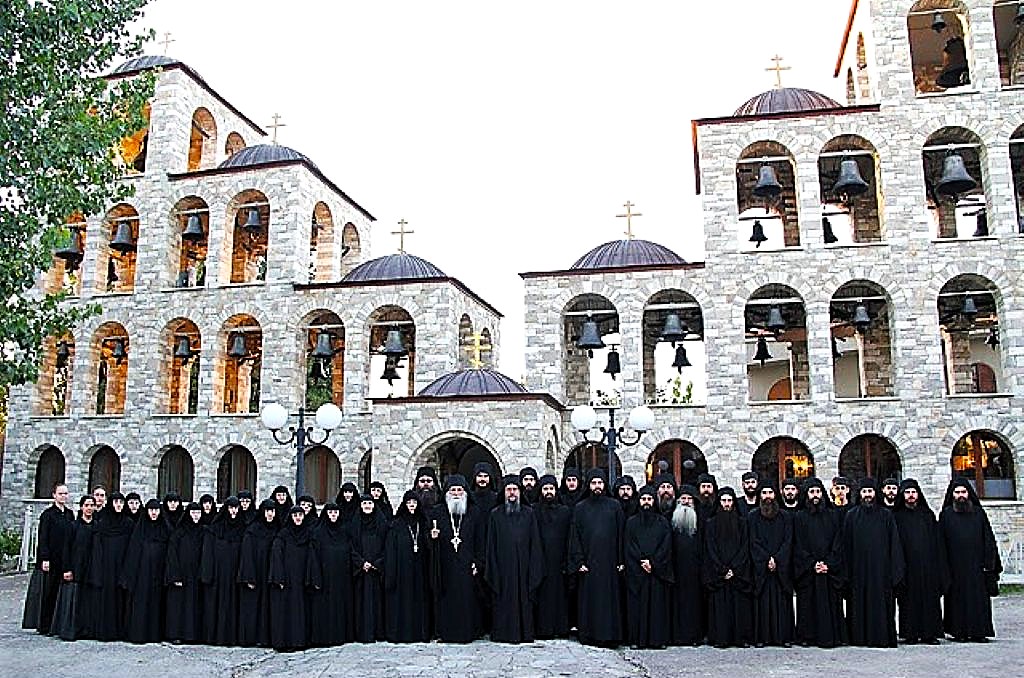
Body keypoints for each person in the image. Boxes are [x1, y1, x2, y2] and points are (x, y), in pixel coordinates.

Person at [841, 478, 904, 647]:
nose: (867, 495)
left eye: (870, 491)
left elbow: (894, 544)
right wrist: (846, 573)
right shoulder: (851, 516)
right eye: (864, 491)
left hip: (881, 572)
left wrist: (894, 571)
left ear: (875, 493)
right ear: (860, 494)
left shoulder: (886, 515)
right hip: (858, 572)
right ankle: (859, 638)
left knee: (881, 605)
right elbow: (846, 546)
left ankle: (882, 637)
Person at [939, 478, 1002, 643]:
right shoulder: (946, 515)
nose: (961, 495)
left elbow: (988, 538)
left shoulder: (978, 513)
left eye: (963, 492)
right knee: (956, 599)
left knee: (978, 600)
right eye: (957, 492)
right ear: (952, 495)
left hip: (977, 566)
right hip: (955, 567)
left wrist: (989, 564)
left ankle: (979, 632)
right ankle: (958, 632)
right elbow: (941, 543)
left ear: (969, 493)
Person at [569, 469, 625, 647]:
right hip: (589, 564)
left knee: (609, 601)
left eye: (600, 483)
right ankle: (589, 635)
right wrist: (579, 561)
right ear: (589, 485)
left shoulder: (615, 506)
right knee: (590, 601)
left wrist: (621, 560)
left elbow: (621, 534)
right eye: (594, 483)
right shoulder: (580, 508)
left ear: (604, 484)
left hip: (610, 563)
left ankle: (610, 636)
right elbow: (574, 537)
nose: (597, 486)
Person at [485, 475, 544, 643]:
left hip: (525, 568)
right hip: (503, 569)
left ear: (520, 492)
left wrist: (534, 567)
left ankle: (525, 633)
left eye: (515, 489)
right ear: (503, 492)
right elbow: (491, 544)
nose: (512, 493)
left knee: (524, 600)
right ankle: (502, 634)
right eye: (509, 489)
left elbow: (535, 542)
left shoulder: (529, 513)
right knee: (503, 599)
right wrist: (493, 568)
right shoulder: (495, 515)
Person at [792, 478, 845, 648]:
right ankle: (807, 637)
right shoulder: (799, 517)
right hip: (809, 571)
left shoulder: (833, 515)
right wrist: (812, 564)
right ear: (806, 495)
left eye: (818, 492)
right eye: (812, 492)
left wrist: (828, 563)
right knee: (808, 604)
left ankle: (832, 637)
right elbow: (798, 544)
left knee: (830, 603)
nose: (815, 495)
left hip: (828, 570)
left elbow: (838, 542)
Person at [429, 474, 482, 643]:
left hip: (467, 563)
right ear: (447, 493)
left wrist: (478, 562)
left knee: (467, 597)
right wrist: (433, 537)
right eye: (453, 490)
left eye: (460, 490)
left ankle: (468, 633)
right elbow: (427, 541)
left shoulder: (474, 511)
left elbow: (480, 539)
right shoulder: (437, 511)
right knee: (447, 598)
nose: (457, 493)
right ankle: (446, 633)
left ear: (465, 492)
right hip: (445, 563)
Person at [893, 478, 945, 645]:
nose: (910, 495)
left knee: (929, 599)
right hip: (906, 567)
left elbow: (936, 541)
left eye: (913, 492)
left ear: (918, 494)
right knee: (908, 601)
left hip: (927, 566)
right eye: (907, 492)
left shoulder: (927, 515)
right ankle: (910, 634)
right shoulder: (896, 516)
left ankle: (930, 634)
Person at [702, 487, 753, 648]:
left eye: (729, 500)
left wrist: (734, 568)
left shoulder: (742, 523)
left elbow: (745, 547)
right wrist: (722, 569)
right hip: (718, 573)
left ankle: (740, 639)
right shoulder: (711, 524)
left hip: (738, 573)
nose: (726, 504)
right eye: (723, 500)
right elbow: (710, 548)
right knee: (719, 608)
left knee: (739, 607)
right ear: (719, 502)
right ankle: (720, 639)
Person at [624, 486, 673, 649]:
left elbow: (666, 546)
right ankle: (636, 640)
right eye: (643, 499)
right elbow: (629, 545)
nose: (646, 502)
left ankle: (657, 640)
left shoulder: (663, 522)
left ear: (654, 501)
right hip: (637, 573)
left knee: (657, 607)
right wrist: (642, 561)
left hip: (657, 572)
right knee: (637, 607)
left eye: (649, 499)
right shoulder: (631, 522)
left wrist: (653, 563)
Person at [746, 483, 794, 647]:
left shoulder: (785, 516)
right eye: (764, 492)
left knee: (782, 602)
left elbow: (788, 541)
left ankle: (784, 638)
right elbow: (753, 541)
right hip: (761, 568)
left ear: (775, 495)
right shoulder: (752, 516)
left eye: (770, 492)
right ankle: (762, 638)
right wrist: (766, 559)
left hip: (781, 568)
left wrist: (777, 559)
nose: (767, 496)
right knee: (762, 603)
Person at [269, 506, 320, 651]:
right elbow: (276, 556)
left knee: (301, 611)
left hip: (303, 579)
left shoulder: (308, 534)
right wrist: (279, 578)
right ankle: (284, 642)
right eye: (295, 515)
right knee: (286, 611)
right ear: (291, 517)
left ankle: (300, 642)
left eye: (300, 515)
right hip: (287, 579)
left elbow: (313, 557)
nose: (298, 518)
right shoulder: (283, 535)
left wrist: (312, 578)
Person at [27, 482, 74, 635]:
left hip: (64, 558)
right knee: (49, 592)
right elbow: (43, 538)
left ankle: (58, 624)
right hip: (51, 559)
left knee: (62, 592)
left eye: (65, 493)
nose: (63, 496)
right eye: (61, 493)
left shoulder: (69, 514)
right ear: (54, 495)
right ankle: (45, 625)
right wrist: (44, 558)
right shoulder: (47, 515)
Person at [121, 499, 170, 643]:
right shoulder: (140, 530)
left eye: (156, 510)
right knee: (141, 603)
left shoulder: (166, 529)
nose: (154, 513)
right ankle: (139, 634)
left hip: (159, 573)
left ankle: (156, 634)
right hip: (142, 574)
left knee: (157, 603)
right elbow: (132, 553)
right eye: (151, 510)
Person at [384, 491, 430, 642]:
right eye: (409, 503)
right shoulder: (396, 524)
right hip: (402, 570)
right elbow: (391, 550)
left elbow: (428, 546)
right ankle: (402, 634)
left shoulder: (423, 523)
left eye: (414, 503)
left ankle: (419, 633)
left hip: (419, 569)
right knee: (403, 601)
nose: (412, 505)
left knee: (419, 600)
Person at [201, 496, 246, 645]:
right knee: (217, 605)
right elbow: (208, 553)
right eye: (231, 508)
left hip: (235, 575)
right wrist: (207, 574)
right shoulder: (214, 529)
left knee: (233, 605)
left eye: (236, 508)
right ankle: (216, 636)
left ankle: (232, 637)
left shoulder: (243, 528)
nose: (233, 511)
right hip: (218, 575)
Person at [52, 495, 98, 640]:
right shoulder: (73, 526)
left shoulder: (97, 527)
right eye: (87, 505)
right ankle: (71, 630)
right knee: (73, 600)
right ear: (81, 507)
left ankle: (87, 630)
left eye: (92, 505)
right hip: (76, 567)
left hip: (91, 568)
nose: (89, 508)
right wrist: (66, 569)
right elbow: (66, 549)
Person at [311, 502, 356, 646]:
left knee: (341, 606)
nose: (333, 515)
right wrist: (316, 576)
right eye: (330, 512)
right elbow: (314, 557)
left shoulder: (344, 531)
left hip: (342, 577)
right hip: (324, 577)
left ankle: (341, 635)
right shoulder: (318, 533)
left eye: (336, 512)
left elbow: (350, 551)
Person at [91, 491, 134, 641]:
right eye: (116, 502)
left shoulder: (128, 523)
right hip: (107, 567)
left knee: (121, 598)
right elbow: (97, 548)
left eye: (121, 502)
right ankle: (106, 632)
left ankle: (121, 631)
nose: (119, 505)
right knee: (107, 599)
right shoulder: (103, 524)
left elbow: (132, 547)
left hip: (123, 566)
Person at [534, 475, 572, 639]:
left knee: (560, 595)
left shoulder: (565, 511)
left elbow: (570, 536)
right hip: (540, 559)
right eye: (545, 489)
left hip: (559, 561)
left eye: (551, 489)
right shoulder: (534, 510)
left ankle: (561, 628)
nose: (548, 492)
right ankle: (543, 629)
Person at [237, 499, 277, 647]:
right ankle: (251, 638)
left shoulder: (277, 528)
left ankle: (266, 638)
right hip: (256, 574)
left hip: (270, 574)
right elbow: (247, 554)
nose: (270, 514)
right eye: (267, 511)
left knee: (268, 607)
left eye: (272, 511)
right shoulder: (252, 530)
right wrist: (249, 577)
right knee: (253, 607)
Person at [165, 503, 205, 644]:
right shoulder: (179, 532)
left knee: (194, 605)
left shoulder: (204, 531)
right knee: (179, 606)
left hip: (196, 575)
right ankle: (177, 634)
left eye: (198, 513)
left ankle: (193, 636)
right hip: (181, 575)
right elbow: (172, 554)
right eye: (193, 513)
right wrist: (174, 575)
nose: (196, 516)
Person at [669, 485, 704, 646]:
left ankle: (694, 637)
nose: (686, 501)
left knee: (694, 605)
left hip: (695, 571)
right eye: (683, 498)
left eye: (689, 499)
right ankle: (677, 636)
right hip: (675, 569)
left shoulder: (701, 521)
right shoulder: (670, 520)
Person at [351, 494, 387, 642]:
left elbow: (387, 545)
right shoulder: (354, 524)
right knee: (361, 602)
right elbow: (350, 546)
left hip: (377, 570)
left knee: (378, 602)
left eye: (370, 503)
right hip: (361, 570)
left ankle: (378, 632)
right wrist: (361, 563)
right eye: (364, 503)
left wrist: (377, 563)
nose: (367, 506)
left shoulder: (382, 523)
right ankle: (363, 633)